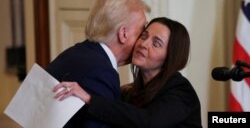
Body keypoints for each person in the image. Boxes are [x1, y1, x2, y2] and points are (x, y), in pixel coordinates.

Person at [54, 17, 203, 128]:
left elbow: (148, 121)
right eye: (144, 36)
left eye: (156, 44)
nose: (143, 44)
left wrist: (90, 98)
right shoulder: (131, 92)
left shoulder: (182, 92)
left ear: (171, 57)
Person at [46, 0, 150, 128]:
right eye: (142, 32)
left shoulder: (74, 53)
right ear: (123, 34)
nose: (144, 42)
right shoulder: (101, 72)